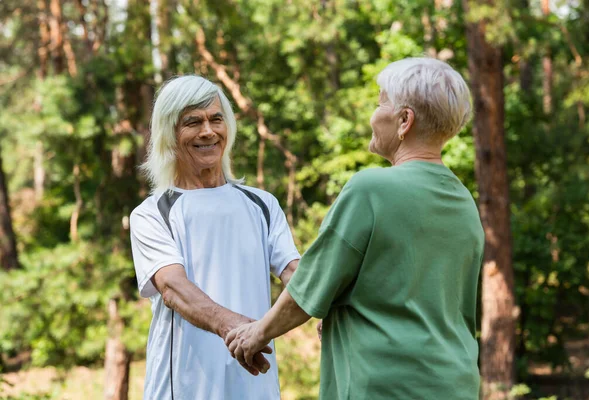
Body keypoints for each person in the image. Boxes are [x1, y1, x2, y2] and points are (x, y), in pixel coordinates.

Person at [226, 57, 485, 400]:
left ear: (404, 120)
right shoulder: (464, 201)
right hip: (455, 383)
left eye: (381, 104)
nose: (373, 116)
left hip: (384, 386)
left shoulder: (371, 189)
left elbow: (310, 288)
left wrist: (257, 333)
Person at [129, 75, 300, 400]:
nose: (208, 131)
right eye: (192, 122)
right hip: (184, 388)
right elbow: (173, 289)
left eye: (216, 119)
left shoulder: (262, 204)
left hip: (256, 385)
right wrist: (242, 330)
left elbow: (297, 275)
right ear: (170, 133)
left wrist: (329, 310)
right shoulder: (152, 214)